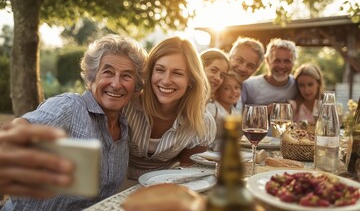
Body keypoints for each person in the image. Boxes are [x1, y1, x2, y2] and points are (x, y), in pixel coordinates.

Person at [1, 34, 147, 210]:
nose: (116, 84)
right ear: (92, 77)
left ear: (136, 85)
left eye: (126, 76)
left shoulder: (124, 127)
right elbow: (22, 129)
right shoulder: (70, 107)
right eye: (108, 72)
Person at [123, 36, 216, 180]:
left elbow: (189, 171)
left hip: (164, 184)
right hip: (116, 184)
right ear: (150, 72)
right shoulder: (126, 105)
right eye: (160, 70)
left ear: (190, 80)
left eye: (177, 73)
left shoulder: (201, 121)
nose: (166, 81)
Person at [241, 38, 297, 106]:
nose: (282, 66)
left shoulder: (298, 85)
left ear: (294, 62)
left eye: (287, 61)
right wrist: (268, 110)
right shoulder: (249, 85)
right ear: (267, 61)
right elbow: (237, 113)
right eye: (277, 61)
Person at [206, 71, 241, 151]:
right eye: (226, 88)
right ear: (217, 91)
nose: (234, 91)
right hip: (208, 154)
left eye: (237, 87)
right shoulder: (211, 109)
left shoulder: (235, 113)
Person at [227, 37, 265, 111]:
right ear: (230, 57)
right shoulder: (213, 84)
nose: (242, 68)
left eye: (250, 66)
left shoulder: (247, 91)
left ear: (255, 70)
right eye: (239, 60)